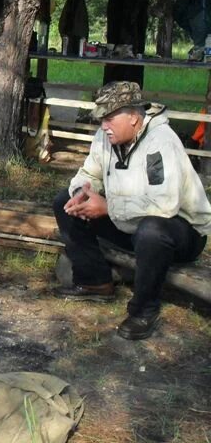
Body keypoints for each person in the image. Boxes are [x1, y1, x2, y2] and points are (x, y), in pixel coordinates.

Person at [53, 81, 211, 340]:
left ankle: (143, 310)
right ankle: (95, 281)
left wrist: (107, 207)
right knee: (63, 202)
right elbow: (89, 173)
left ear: (135, 118)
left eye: (111, 118)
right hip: (129, 222)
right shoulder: (105, 136)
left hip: (181, 232)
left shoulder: (160, 142)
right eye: (102, 118)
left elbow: (164, 205)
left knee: (152, 231)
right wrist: (80, 192)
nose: (104, 125)